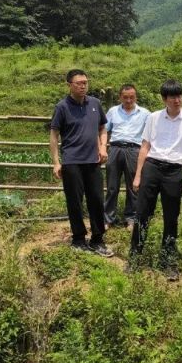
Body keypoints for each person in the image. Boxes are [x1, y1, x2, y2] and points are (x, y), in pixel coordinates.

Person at [130, 79, 182, 280]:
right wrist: (138, 175)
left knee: (171, 217)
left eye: (179, 96)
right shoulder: (153, 118)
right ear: (164, 99)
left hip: (174, 171)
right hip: (152, 167)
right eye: (172, 97)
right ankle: (134, 257)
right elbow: (145, 146)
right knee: (142, 213)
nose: (177, 100)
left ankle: (167, 261)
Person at [49, 69, 113, 257]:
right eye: (79, 83)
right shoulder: (62, 107)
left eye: (85, 82)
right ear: (69, 85)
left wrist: (103, 147)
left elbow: (102, 128)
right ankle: (78, 238)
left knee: (97, 200)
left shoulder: (95, 103)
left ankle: (97, 239)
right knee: (75, 201)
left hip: (93, 161)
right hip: (71, 161)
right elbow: (54, 135)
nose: (83, 86)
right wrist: (56, 162)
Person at [104, 84, 150, 230]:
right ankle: (108, 218)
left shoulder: (145, 114)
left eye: (132, 97)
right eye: (125, 97)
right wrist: (102, 148)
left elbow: (150, 135)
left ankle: (131, 218)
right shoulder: (113, 111)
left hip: (134, 150)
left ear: (136, 97)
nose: (129, 100)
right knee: (112, 186)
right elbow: (104, 130)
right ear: (120, 97)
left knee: (133, 186)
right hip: (115, 148)